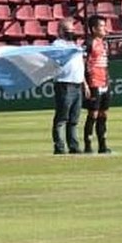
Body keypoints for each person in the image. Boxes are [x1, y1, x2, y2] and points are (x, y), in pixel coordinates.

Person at [50, 19, 85, 154]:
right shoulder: (57, 44)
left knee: (74, 118)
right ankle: (59, 146)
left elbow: (80, 64)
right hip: (64, 83)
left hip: (77, 83)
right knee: (62, 117)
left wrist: (84, 84)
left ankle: (74, 145)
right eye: (68, 30)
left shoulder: (74, 45)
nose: (71, 32)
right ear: (61, 31)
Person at [83, 15, 114, 154]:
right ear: (94, 28)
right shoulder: (88, 43)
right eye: (102, 26)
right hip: (93, 82)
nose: (105, 29)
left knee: (103, 115)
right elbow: (81, 64)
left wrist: (108, 79)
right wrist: (85, 84)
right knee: (93, 114)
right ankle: (88, 145)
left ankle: (103, 145)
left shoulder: (104, 43)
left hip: (104, 82)